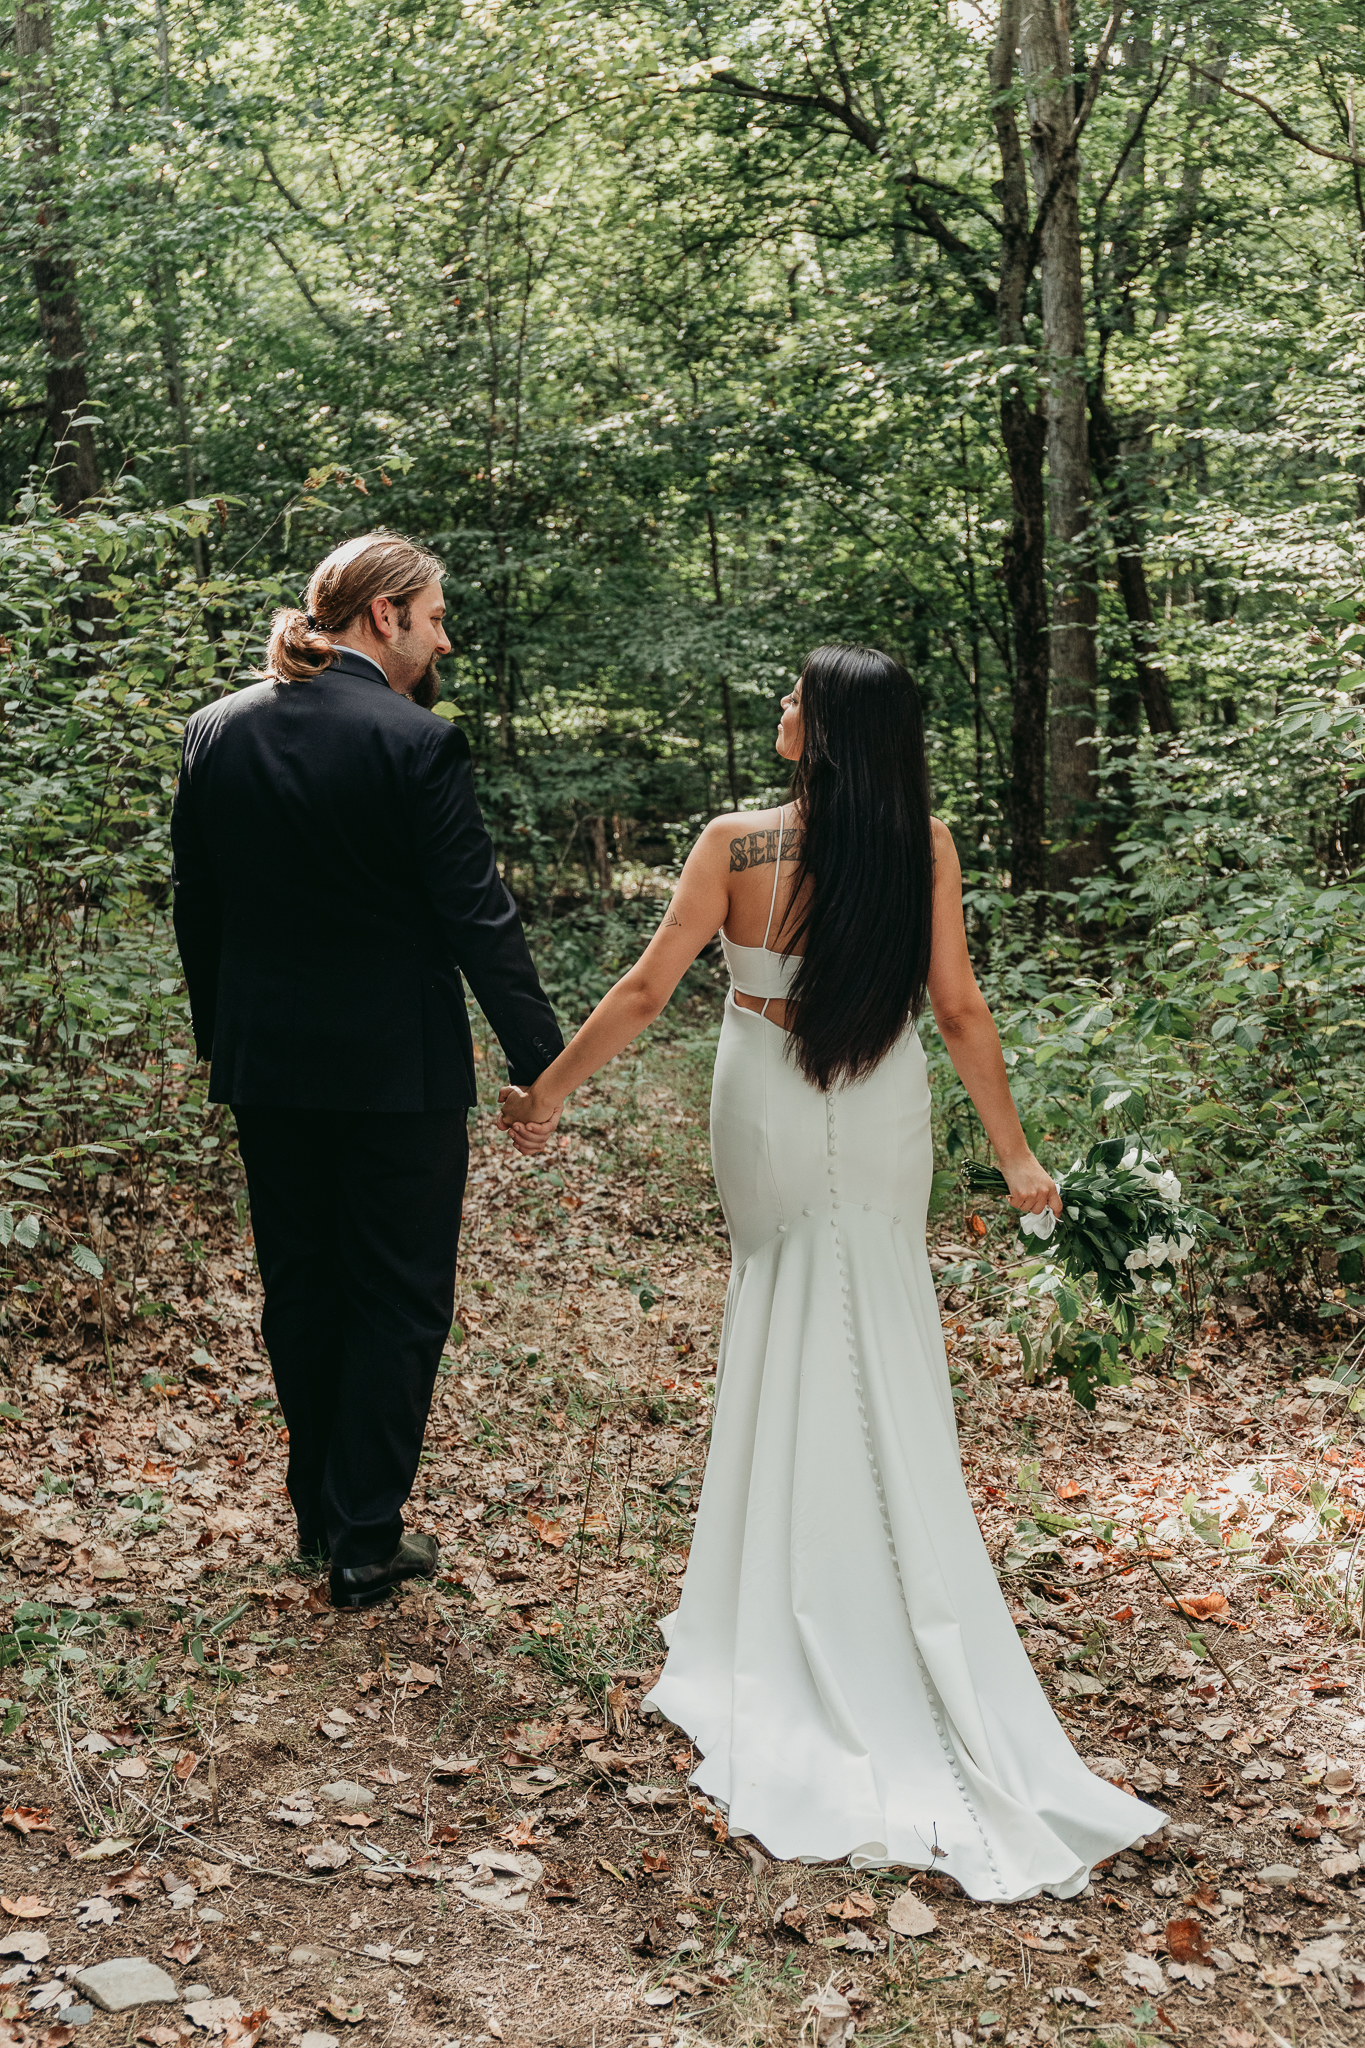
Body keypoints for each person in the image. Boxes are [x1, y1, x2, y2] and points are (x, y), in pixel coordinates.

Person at [499, 642, 1163, 1900]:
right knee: (872, 1309)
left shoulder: (733, 839)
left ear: (834, 727)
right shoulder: (925, 841)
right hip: (885, 1091)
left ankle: (787, 1591)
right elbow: (958, 1009)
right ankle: (875, 1577)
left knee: (788, 1303)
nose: (784, 708)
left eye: (800, 697)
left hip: (763, 1089)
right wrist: (1017, 1158)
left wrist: (546, 1095)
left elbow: (649, 988)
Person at [171, 531, 563, 1610]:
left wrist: (225, 1034)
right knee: (397, 1295)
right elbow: (478, 918)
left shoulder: (215, 731)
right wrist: (547, 1063)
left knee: (303, 1285)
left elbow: (195, 906)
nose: (443, 636)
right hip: (400, 1071)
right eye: (433, 614)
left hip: (268, 1068)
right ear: (383, 615)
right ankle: (363, 1540)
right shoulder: (416, 741)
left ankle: (318, 1512)